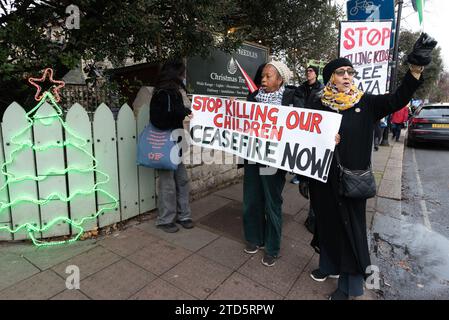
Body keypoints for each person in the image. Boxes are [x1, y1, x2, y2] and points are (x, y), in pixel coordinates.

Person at [297, 33, 436, 300]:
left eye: (350, 72)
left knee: (351, 231)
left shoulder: (367, 103)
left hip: (352, 181)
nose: (348, 76)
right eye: (340, 72)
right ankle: (328, 265)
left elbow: (398, 99)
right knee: (325, 223)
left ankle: (350, 287)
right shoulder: (317, 103)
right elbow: (303, 134)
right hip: (322, 178)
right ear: (330, 78)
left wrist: (415, 70)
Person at [243, 60, 297, 267]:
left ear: (280, 79)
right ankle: (254, 238)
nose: (263, 80)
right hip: (252, 155)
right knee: (251, 198)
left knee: (271, 201)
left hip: (273, 158)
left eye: (268, 76)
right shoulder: (253, 97)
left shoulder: (292, 98)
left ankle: (272, 247)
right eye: (262, 76)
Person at [150, 59, 194, 233]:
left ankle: (184, 215)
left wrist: (183, 111)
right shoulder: (162, 93)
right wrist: (182, 111)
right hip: (165, 144)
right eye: (182, 73)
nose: (184, 76)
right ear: (176, 74)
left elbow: (177, 112)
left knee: (182, 180)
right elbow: (158, 120)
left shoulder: (175, 92)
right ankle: (165, 219)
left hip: (176, 143)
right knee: (167, 184)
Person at [291, 65, 324, 185]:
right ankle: (299, 175)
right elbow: (297, 103)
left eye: (311, 71)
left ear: (315, 74)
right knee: (300, 149)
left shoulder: (322, 89)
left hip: (315, 124)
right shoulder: (300, 88)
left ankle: (311, 174)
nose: (308, 73)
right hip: (302, 123)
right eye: (307, 71)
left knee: (312, 150)